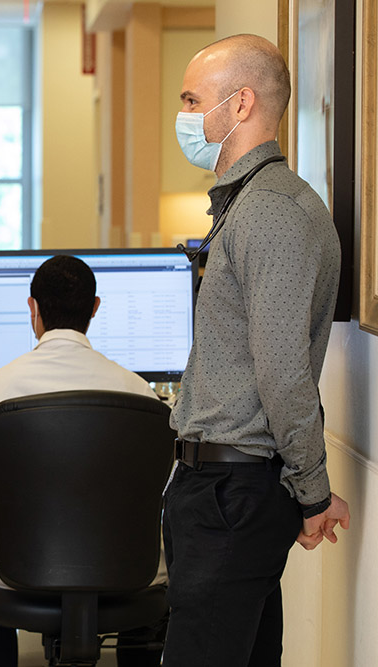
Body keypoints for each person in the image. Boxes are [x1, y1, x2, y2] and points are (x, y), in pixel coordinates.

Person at [163, 34, 351, 667]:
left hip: (230, 495)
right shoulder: (249, 206)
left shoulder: (269, 210)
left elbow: (282, 374)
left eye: (193, 99)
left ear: (239, 105)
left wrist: (314, 493)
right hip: (228, 492)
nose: (184, 116)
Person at [0, 255, 165, 667]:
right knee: (152, 583)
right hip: (128, 573)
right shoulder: (140, 394)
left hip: (12, 571)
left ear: (33, 308)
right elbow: (161, 491)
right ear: (95, 307)